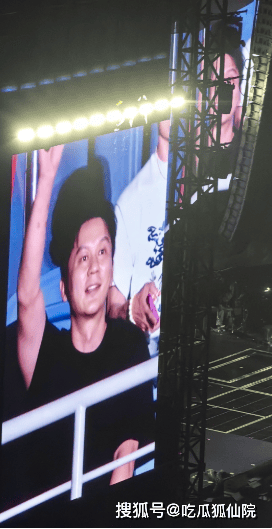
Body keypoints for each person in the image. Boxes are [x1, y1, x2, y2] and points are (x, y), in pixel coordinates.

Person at [17, 145, 153, 489]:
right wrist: (46, 179)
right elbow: (27, 295)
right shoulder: (46, 353)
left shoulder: (129, 346)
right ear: (63, 287)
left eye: (103, 252)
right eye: (82, 257)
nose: (94, 268)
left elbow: (126, 454)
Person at [108, 29, 245, 352]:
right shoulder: (131, 200)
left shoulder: (242, 174)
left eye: (229, 81)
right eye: (209, 83)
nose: (219, 93)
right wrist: (132, 309)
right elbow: (112, 306)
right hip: (157, 357)